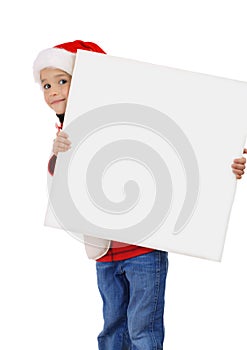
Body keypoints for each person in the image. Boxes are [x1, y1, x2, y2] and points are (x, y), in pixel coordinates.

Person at [33, 40, 246, 350]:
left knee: (142, 329)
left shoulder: (129, 117)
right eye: (46, 84)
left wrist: (229, 163)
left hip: (143, 250)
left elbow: (195, 143)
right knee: (113, 327)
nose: (53, 90)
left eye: (62, 80)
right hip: (105, 254)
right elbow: (63, 190)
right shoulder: (68, 136)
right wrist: (58, 158)